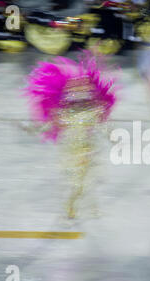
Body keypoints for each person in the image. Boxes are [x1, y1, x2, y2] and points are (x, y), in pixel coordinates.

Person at [25, 52, 116, 218]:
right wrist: (34, 128)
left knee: (91, 179)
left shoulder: (92, 111)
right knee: (78, 183)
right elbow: (48, 125)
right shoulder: (64, 113)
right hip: (72, 151)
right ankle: (71, 207)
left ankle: (90, 207)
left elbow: (103, 126)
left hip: (89, 148)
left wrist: (112, 136)